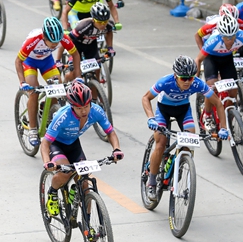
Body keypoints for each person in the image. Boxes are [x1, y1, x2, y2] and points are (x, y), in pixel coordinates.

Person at [142, 55, 227, 199]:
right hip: (164, 111)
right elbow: (146, 98)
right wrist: (151, 118)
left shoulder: (197, 83)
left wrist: (223, 128)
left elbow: (218, 103)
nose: (188, 82)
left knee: (189, 140)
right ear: (175, 76)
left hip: (183, 110)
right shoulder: (165, 82)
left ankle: (182, 161)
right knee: (161, 143)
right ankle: (151, 182)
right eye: (183, 78)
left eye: (191, 78)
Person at [41, 79, 124, 217]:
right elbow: (45, 143)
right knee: (66, 172)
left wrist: (116, 149)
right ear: (72, 106)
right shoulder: (62, 116)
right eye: (79, 108)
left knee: (85, 183)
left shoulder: (96, 111)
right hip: (57, 144)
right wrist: (47, 162)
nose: (84, 110)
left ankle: (88, 222)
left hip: (73, 144)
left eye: (86, 106)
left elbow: (110, 132)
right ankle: (53, 192)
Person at [16, 17, 81, 147]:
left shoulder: (62, 37)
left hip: (47, 62)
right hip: (30, 63)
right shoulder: (33, 40)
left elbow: (76, 55)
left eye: (57, 42)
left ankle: (45, 108)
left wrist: (78, 77)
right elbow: (18, 61)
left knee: (58, 89)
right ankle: (33, 129)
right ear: (44, 36)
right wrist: (22, 82)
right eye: (52, 42)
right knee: (33, 91)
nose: (54, 44)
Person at [194, 14, 243, 108]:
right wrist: (195, 80)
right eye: (227, 37)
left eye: (233, 36)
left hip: (227, 59)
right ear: (221, 35)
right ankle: (207, 116)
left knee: (233, 90)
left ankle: (227, 111)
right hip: (211, 58)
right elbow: (198, 59)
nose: (230, 40)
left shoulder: (242, 36)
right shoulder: (213, 40)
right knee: (211, 88)